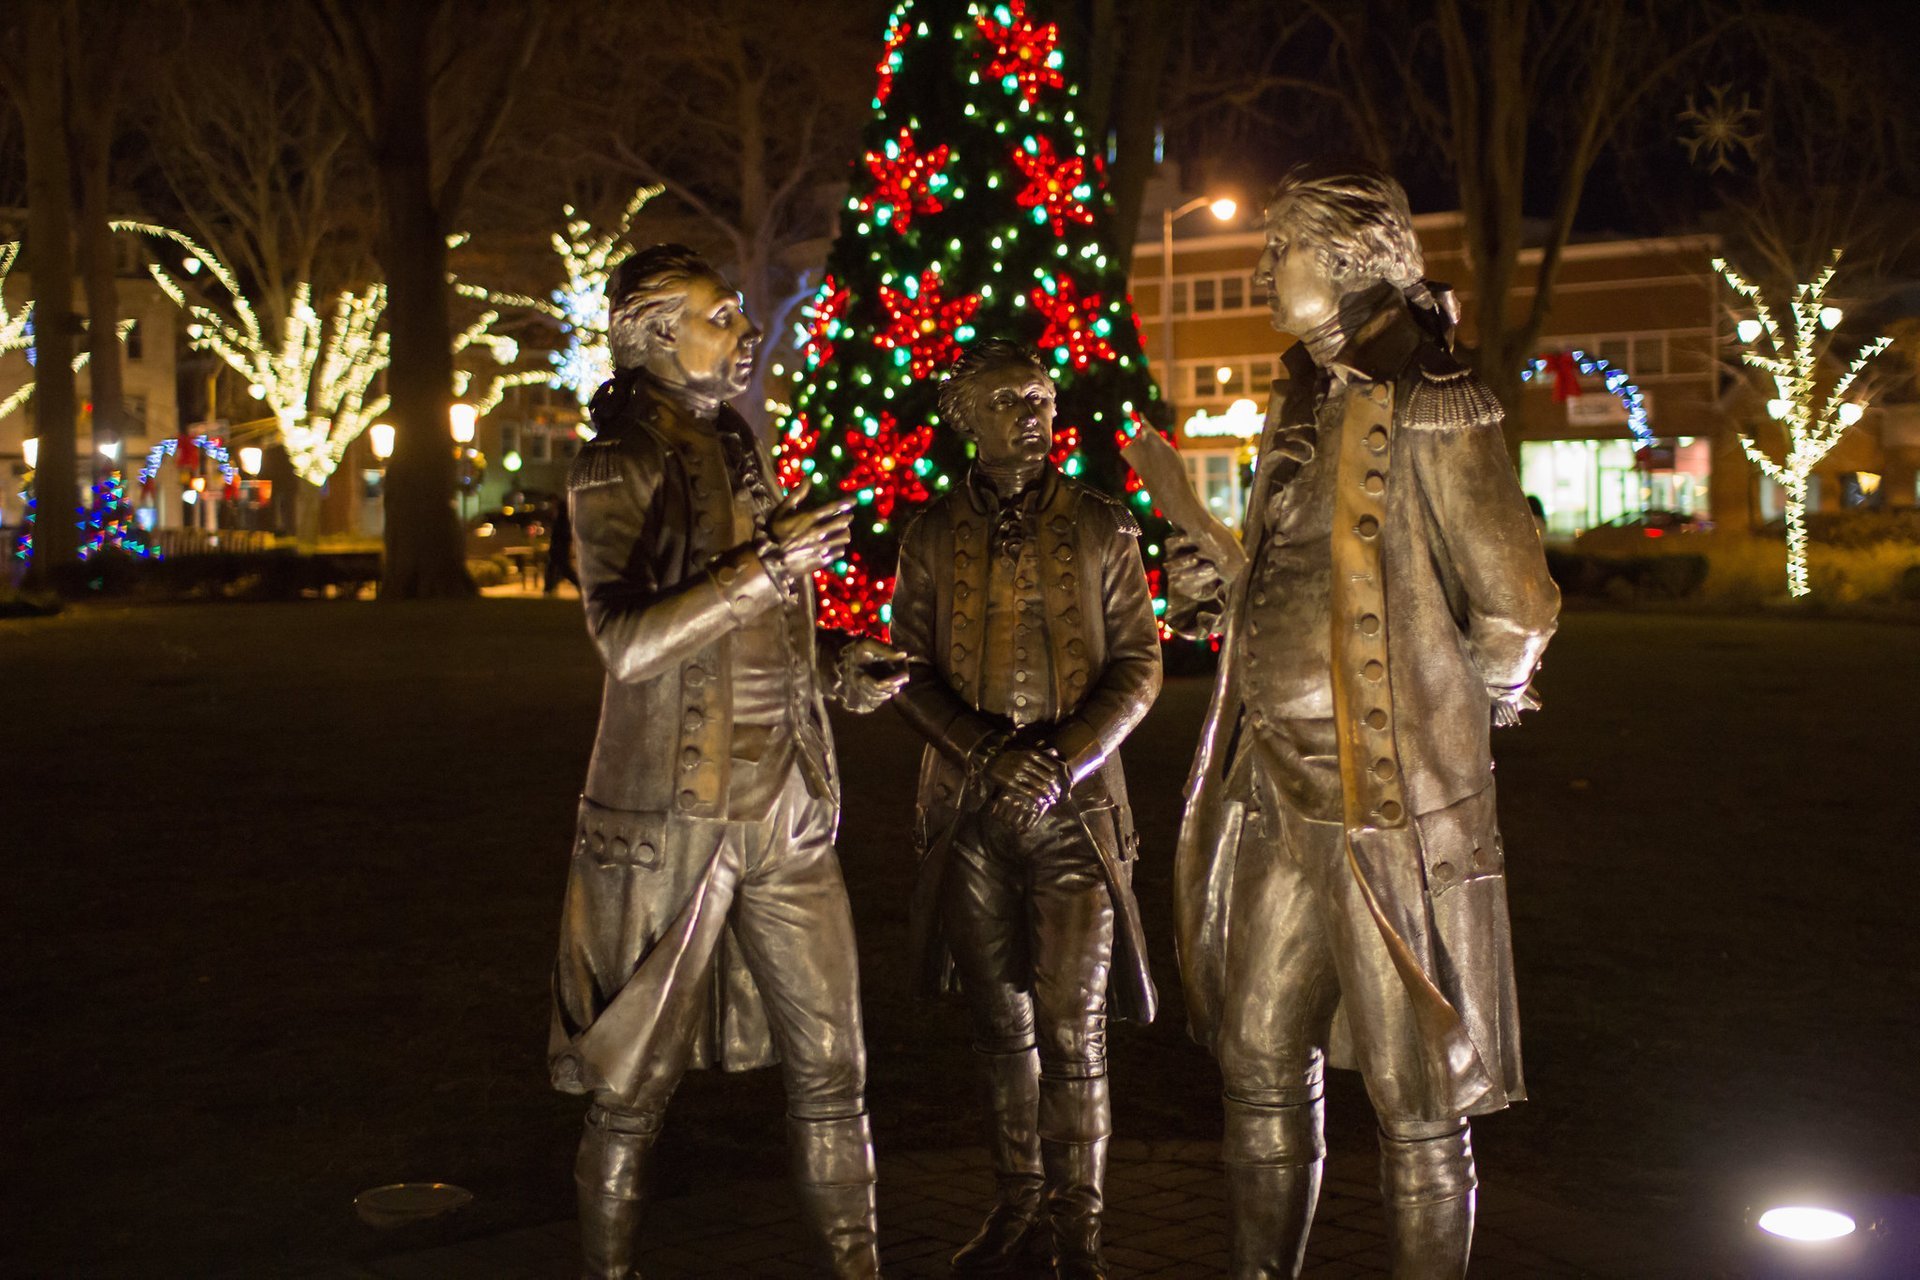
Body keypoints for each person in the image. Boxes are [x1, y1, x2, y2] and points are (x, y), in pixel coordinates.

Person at [1166, 163, 1560, 1279]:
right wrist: (1226, 597)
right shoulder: (1302, 398)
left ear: (1346, 262)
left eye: (1280, 245)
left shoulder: (1436, 398)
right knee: (1253, 1049)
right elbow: (1297, 576)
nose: (1260, 265)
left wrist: (1473, 702)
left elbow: (1518, 602)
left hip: (1379, 803)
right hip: (1276, 786)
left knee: (1415, 1086)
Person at [548, 243, 908, 1280]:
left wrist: (836, 665)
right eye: (721, 315)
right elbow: (624, 639)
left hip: (787, 804)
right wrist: (770, 565)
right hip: (674, 816)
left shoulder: (735, 442)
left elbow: (751, 625)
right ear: (658, 333)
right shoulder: (615, 462)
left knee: (837, 1066)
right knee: (632, 1089)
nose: (746, 332)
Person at [889, 340, 1162, 1279]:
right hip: (968, 814)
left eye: (1040, 397)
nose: (1032, 412)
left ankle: (1079, 1232)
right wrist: (986, 755)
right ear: (963, 416)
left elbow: (1141, 665)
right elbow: (907, 674)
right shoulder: (926, 534)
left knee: (1072, 1023)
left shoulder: (1104, 526)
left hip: (1076, 815)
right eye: (1006, 400)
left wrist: (1064, 759)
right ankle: (1018, 1209)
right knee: (999, 1025)